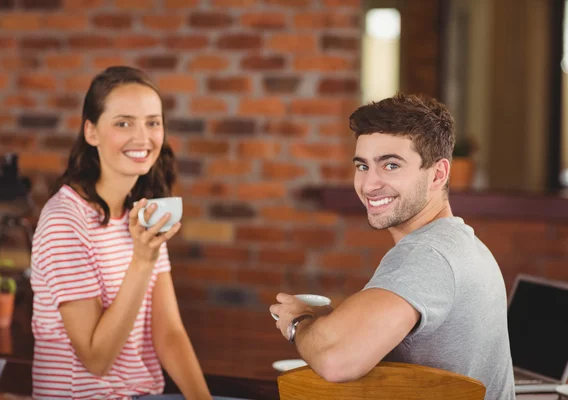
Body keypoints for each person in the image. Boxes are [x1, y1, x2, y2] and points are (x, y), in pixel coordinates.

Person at [270, 93, 515, 400]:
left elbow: (336, 360)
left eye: (391, 165)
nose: (370, 184)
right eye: (363, 166)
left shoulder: (428, 254)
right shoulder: (463, 244)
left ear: (438, 174)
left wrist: (299, 323)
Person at [30, 66, 212, 400]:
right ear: (91, 132)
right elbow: (96, 359)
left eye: (152, 122)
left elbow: (169, 333)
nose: (143, 137)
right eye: (123, 123)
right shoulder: (64, 221)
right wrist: (142, 261)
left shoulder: (142, 213)